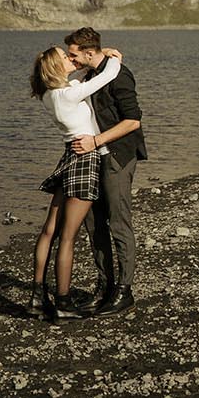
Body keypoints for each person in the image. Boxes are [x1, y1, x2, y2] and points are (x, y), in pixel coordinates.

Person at [28, 42, 123, 320]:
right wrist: (111, 57)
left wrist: (87, 62)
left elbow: (79, 81)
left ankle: (37, 297)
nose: (71, 59)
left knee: (50, 231)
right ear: (56, 67)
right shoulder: (67, 95)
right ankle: (63, 301)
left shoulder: (50, 94)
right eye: (65, 57)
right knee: (68, 236)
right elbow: (106, 76)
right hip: (84, 159)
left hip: (69, 155)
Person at [64, 26, 146, 316]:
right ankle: (105, 286)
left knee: (119, 223)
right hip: (93, 159)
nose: (70, 59)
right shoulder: (91, 75)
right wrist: (102, 55)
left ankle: (125, 292)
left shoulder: (120, 75)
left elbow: (133, 121)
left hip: (117, 157)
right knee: (93, 224)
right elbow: (58, 77)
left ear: (88, 52)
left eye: (74, 55)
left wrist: (96, 141)